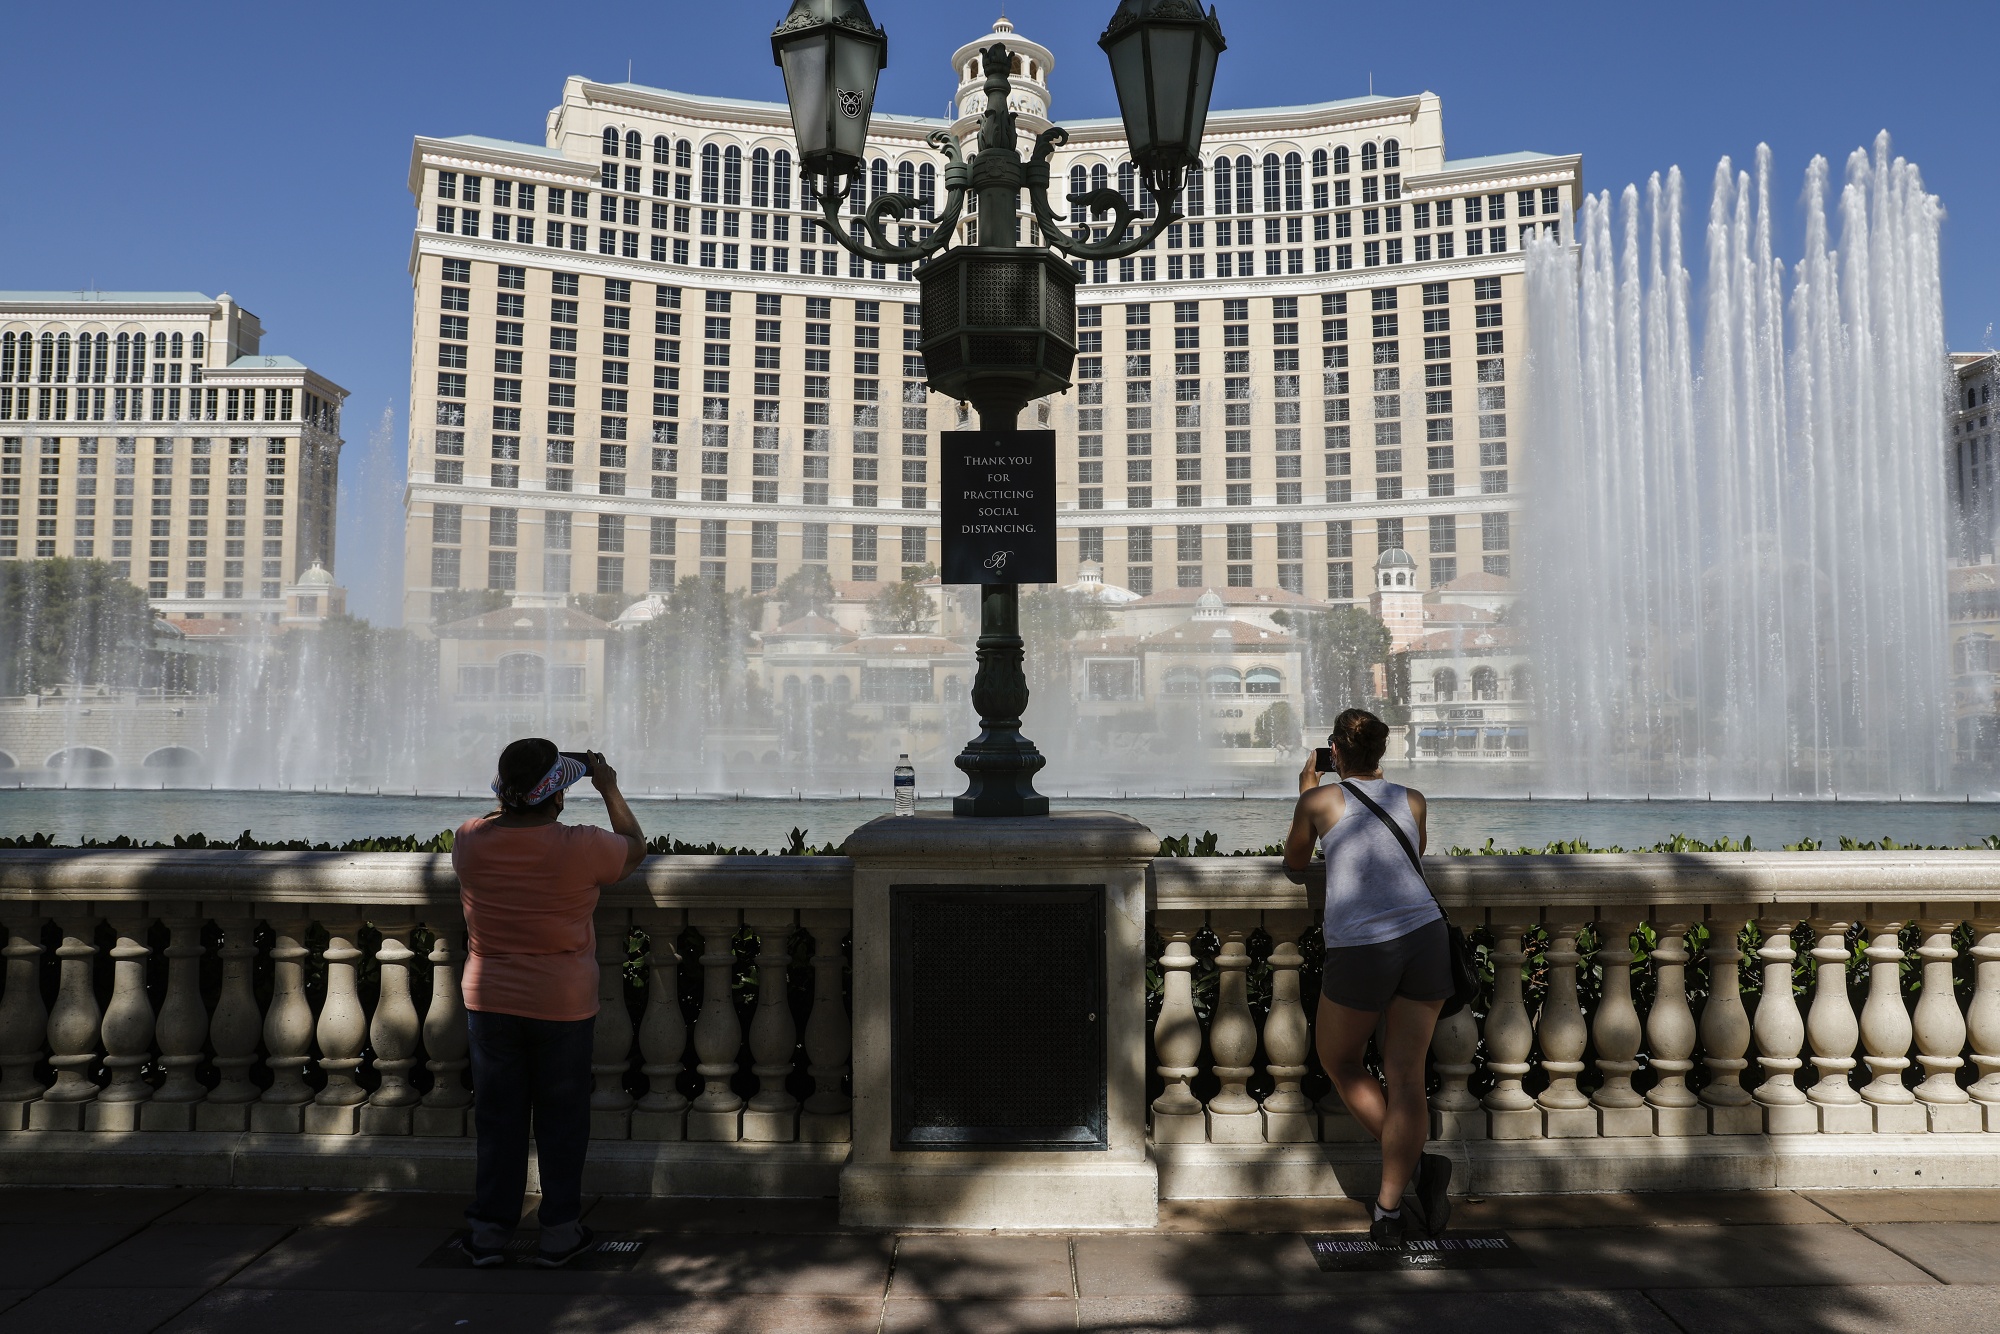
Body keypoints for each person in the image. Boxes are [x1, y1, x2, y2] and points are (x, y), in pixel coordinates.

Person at [452, 738, 645, 1268]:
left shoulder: (468, 840)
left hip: (490, 999)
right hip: (562, 1002)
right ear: (559, 794)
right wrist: (605, 785)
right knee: (562, 1119)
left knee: (498, 1118)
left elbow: (506, 816)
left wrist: (532, 788)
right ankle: (559, 1230)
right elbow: (635, 844)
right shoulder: (583, 846)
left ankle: (489, 1232)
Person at [1283, 709, 1453, 1250]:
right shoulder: (1413, 799)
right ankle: (1389, 1208)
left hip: (1362, 946)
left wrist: (1309, 787)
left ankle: (1419, 1170)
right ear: (1382, 752)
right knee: (1406, 1077)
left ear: (1334, 750)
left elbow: (1293, 863)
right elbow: (1412, 856)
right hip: (1425, 937)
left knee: (1340, 1060)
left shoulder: (1319, 801)